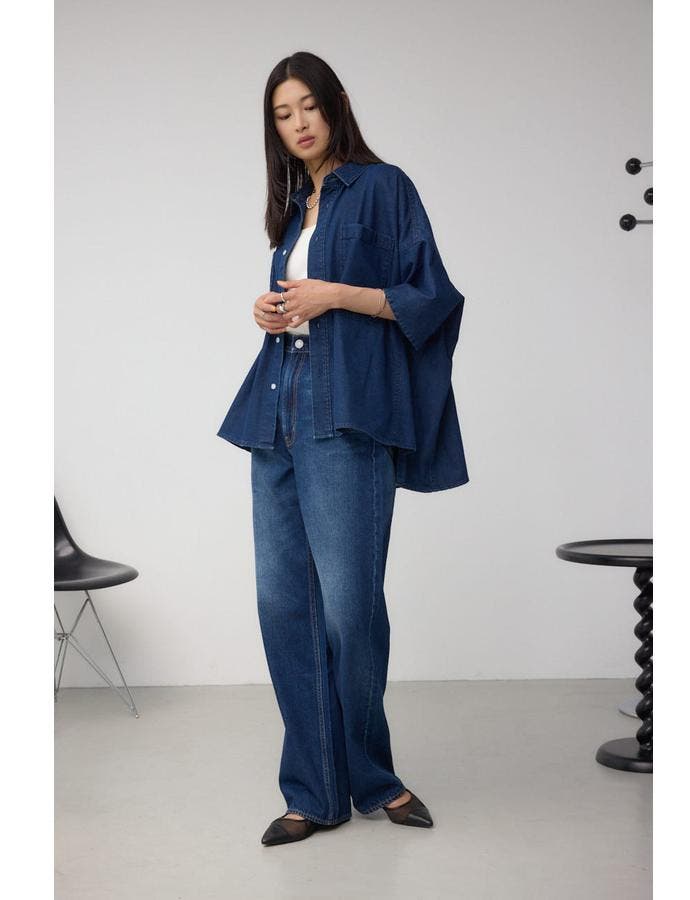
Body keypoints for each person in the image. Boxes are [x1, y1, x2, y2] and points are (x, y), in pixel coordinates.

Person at [217, 51, 469, 847]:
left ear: (336, 103)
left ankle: (375, 779)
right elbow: (303, 304)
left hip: (346, 418)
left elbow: (430, 298)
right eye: (282, 113)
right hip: (277, 414)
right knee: (283, 607)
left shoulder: (385, 187)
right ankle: (314, 790)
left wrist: (336, 296)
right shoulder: (294, 207)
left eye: (308, 106)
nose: (297, 123)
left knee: (350, 610)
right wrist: (272, 309)